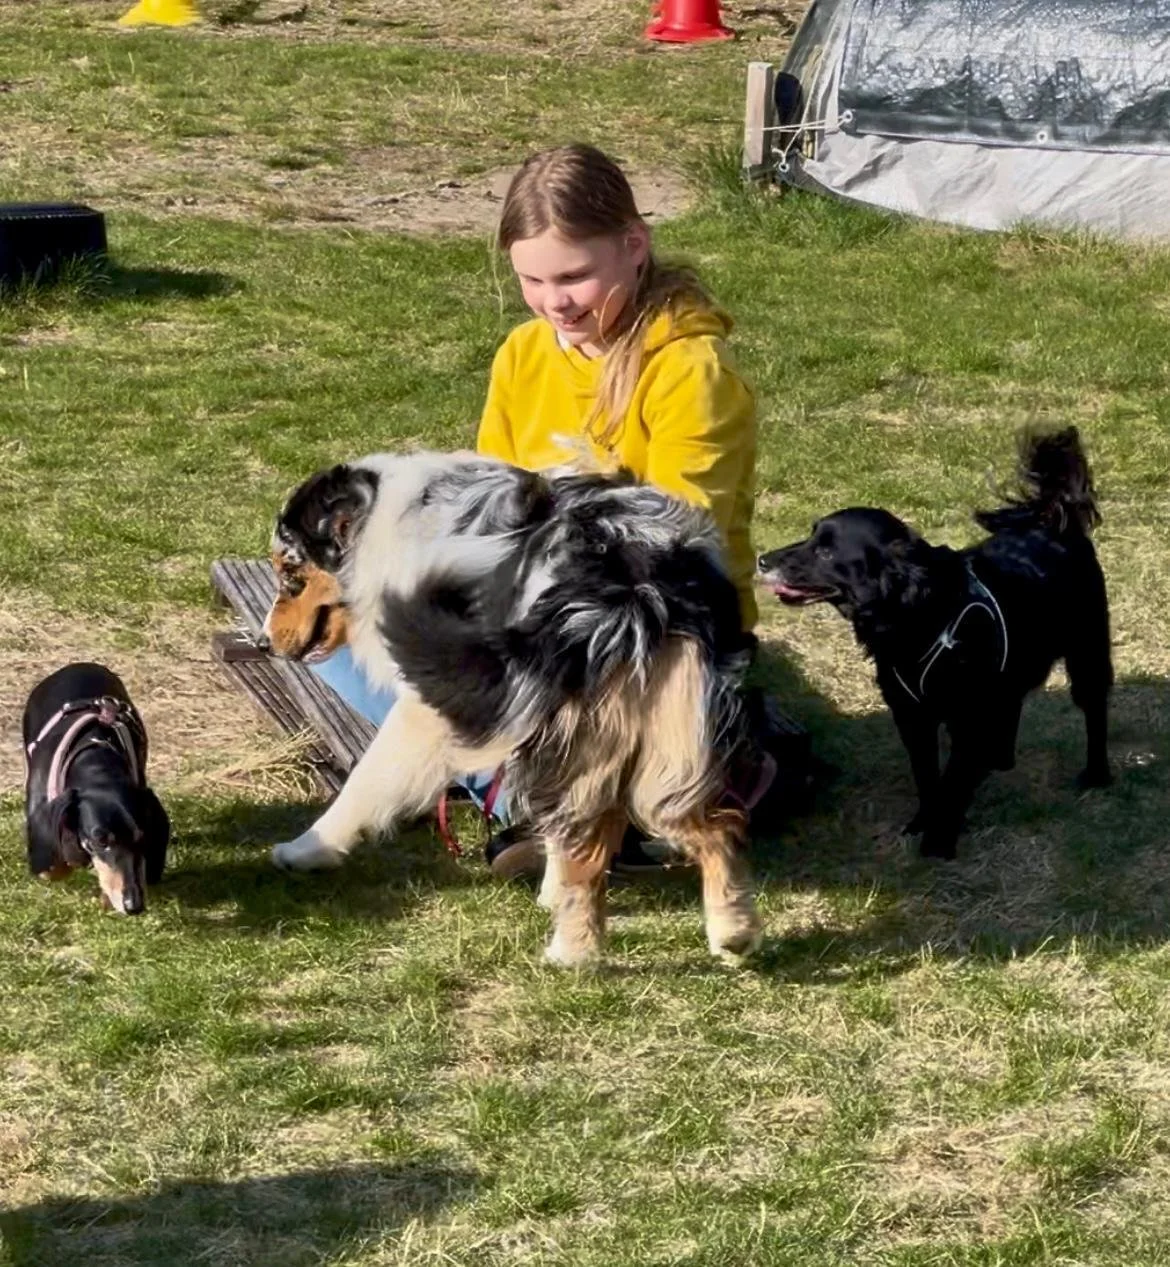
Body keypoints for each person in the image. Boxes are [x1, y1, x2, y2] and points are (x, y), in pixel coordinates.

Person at [310, 142, 761, 872]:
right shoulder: (522, 355)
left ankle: (560, 787)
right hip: (537, 606)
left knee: (475, 690)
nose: (556, 301)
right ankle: (565, 791)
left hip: (647, 622)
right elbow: (489, 509)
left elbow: (680, 548)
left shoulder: (689, 370)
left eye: (575, 276)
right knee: (349, 652)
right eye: (533, 280)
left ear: (634, 247)